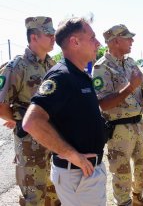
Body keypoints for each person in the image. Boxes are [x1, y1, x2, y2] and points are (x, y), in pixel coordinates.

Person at [22, 17, 107, 206]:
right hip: (78, 176)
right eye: (92, 37)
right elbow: (32, 121)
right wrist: (71, 154)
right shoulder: (62, 75)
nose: (98, 43)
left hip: (86, 174)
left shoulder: (80, 75)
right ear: (75, 42)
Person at [92, 24, 143, 206]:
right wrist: (130, 87)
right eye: (128, 37)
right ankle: (124, 203)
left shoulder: (130, 62)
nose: (132, 40)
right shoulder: (101, 68)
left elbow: (142, 85)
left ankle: (137, 197)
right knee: (121, 172)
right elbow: (103, 104)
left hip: (138, 123)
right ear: (115, 41)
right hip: (118, 128)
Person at [0, 16, 60, 206]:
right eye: (48, 34)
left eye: (54, 34)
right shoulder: (17, 66)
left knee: (55, 193)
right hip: (30, 143)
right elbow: (1, 105)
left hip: (53, 137)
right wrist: (19, 121)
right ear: (34, 37)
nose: (53, 38)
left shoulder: (53, 66)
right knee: (34, 196)